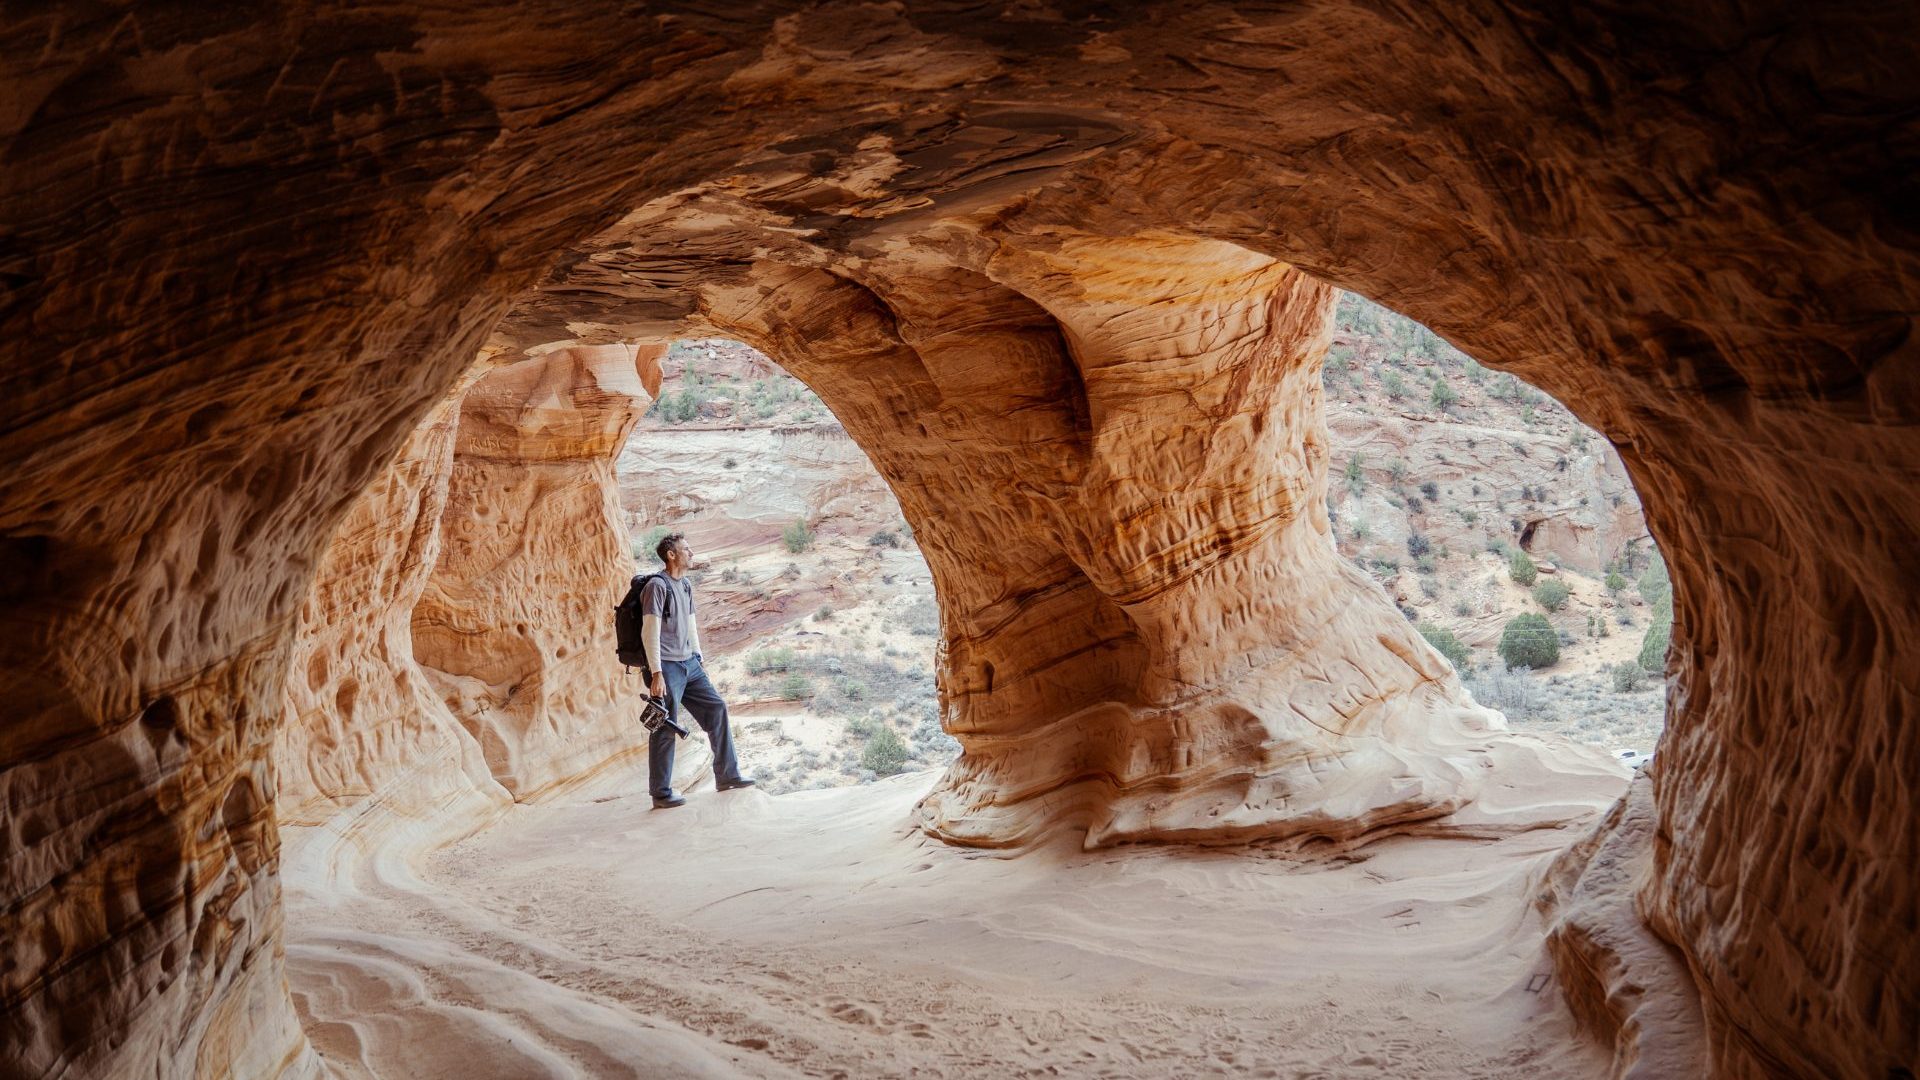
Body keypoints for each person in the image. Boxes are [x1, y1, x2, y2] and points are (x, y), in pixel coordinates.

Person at [641, 532, 755, 808]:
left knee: (716, 708)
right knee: (665, 725)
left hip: (689, 663)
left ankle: (727, 774)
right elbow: (650, 631)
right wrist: (656, 672)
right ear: (671, 554)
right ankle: (661, 792)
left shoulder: (685, 585)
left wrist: (698, 657)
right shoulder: (657, 586)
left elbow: (690, 622)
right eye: (686, 549)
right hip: (666, 667)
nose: (691, 553)